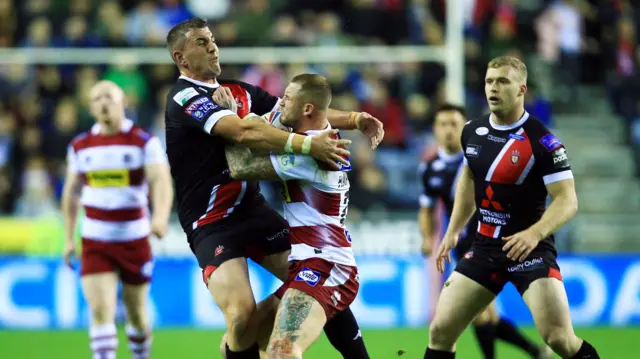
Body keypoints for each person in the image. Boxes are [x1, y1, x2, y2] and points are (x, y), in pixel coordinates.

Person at [164, 18, 383, 359]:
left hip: (252, 210)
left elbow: (300, 111)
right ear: (181, 58)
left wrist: (355, 119)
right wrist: (307, 147)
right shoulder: (184, 98)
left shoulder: (240, 91)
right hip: (211, 222)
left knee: (320, 283)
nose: (212, 46)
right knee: (241, 317)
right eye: (201, 43)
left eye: (212, 39)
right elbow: (242, 134)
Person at [425, 55, 600, 359]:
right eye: (489, 81)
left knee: (559, 339)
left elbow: (567, 200)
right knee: (440, 332)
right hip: (484, 248)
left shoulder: (543, 141)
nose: (493, 88)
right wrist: (453, 231)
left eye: (502, 81)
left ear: (521, 88)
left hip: (529, 251)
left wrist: (534, 234)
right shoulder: (472, 131)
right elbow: (468, 178)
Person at [220, 73, 360, 359]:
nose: (280, 102)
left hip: (326, 264)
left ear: (307, 109)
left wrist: (230, 121)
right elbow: (271, 125)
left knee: (282, 351)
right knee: (235, 343)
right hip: (308, 263)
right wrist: (356, 119)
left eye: (288, 98)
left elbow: (241, 166)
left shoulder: (311, 150)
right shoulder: (320, 137)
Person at [418, 104, 552, 359]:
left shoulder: (481, 157)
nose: (448, 130)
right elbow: (426, 208)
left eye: (454, 124)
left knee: (481, 316)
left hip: (491, 239)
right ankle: (535, 351)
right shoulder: (429, 168)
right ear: (435, 129)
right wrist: (427, 237)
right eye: (443, 124)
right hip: (463, 244)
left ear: (464, 127)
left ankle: (529, 351)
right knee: (485, 315)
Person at [61, 80, 173, 359]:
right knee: (101, 312)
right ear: (90, 107)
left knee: (136, 315)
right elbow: (71, 192)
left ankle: (140, 354)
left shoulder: (143, 141)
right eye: (96, 98)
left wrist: (159, 218)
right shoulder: (80, 146)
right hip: (95, 240)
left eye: (108, 97)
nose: (102, 102)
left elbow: (160, 181)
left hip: (134, 239)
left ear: (124, 102)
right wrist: (67, 238)